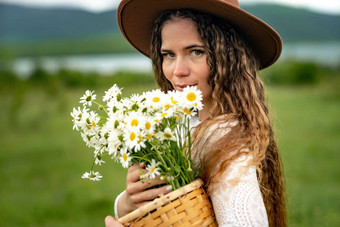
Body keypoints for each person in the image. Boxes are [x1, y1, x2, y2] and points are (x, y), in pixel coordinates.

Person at [108, 0, 287, 226]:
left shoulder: (226, 142)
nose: (178, 71)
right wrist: (128, 202)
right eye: (168, 54)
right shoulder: (178, 124)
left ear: (229, 57)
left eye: (195, 51)